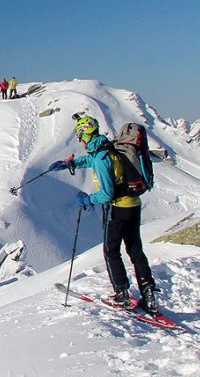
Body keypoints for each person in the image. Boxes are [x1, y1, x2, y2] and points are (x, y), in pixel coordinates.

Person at [49, 115, 160, 314]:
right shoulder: (107, 148)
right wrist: (71, 164)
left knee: (111, 251)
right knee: (135, 251)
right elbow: (92, 159)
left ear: (85, 135)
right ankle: (149, 295)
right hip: (133, 205)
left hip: (117, 209)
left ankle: (121, 295)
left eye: (80, 136)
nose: (80, 141)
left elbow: (107, 193)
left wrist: (87, 200)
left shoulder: (101, 157)